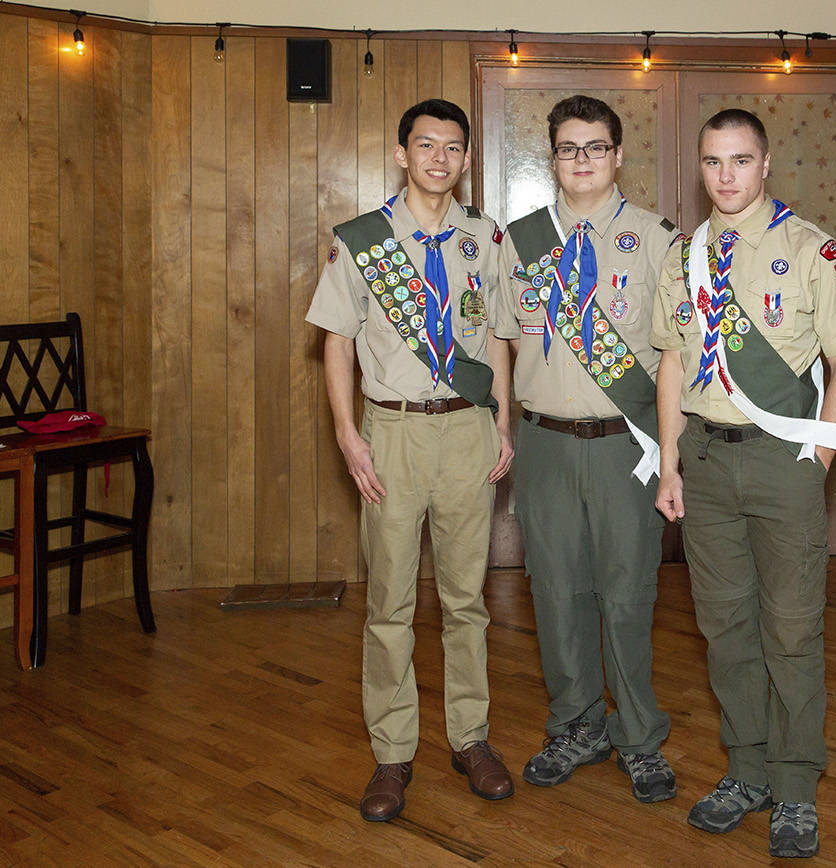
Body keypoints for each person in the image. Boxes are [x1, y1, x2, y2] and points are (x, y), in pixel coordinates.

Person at [651, 108, 836, 859]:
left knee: (791, 630)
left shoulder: (812, 250)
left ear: (766, 162)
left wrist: (817, 459)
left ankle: (794, 785)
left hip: (783, 465)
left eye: (740, 161)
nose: (726, 176)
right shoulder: (685, 256)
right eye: (713, 162)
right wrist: (671, 462)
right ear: (700, 167)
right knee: (725, 629)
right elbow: (675, 363)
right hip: (707, 465)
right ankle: (745, 770)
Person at [306, 98, 516, 822]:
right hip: (390, 434)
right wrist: (346, 432)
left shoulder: (484, 237)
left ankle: (470, 739)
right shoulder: (362, 239)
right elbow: (335, 339)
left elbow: (498, 340)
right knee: (390, 604)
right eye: (426, 146)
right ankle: (392, 753)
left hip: (466, 432)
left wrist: (503, 423)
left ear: (464, 157)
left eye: (453, 148)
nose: (439, 159)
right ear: (402, 153)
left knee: (466, 602)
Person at [492, 95, 679, 804]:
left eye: (595, 147)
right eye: (569, 148)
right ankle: (576, 724)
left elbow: (673, 355)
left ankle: (637, 734)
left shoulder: (657, 240)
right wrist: (504, 421)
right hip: (544, 443)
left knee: (629, 596)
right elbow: (503, 340)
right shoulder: (522, 241)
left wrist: (671, 449)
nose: (582, 160)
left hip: (623, 446)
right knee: (558, 592)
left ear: (618, 154)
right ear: (553, 157)